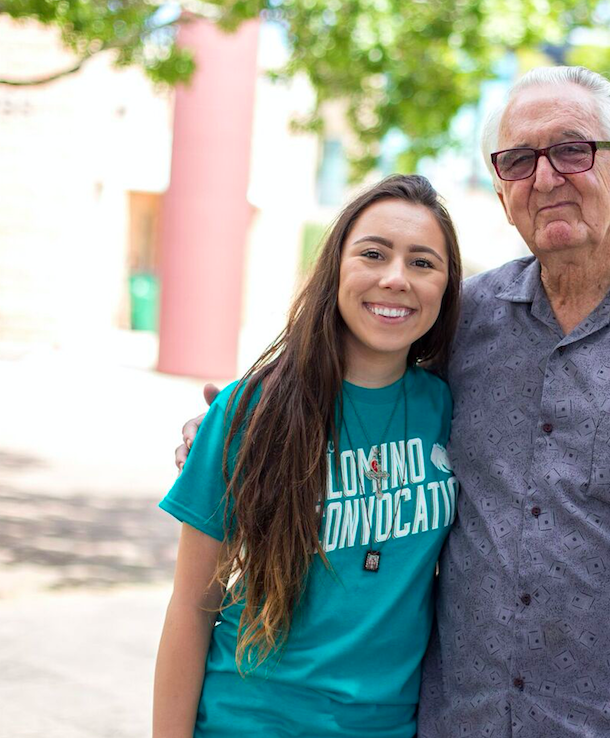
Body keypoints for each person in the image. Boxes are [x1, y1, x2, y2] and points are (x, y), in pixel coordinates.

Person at [176, 66, 610, 738]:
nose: (546, 177)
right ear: (503, 193)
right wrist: (240, 417)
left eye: (571, 150)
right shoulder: (465, 319)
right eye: (519, 160)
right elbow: (357, 361)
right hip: (462, 719)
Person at [154, 174, 463, 738]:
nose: (395, 279)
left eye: (423, 263)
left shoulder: (450, 407)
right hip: (246, 722)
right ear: (336, 268)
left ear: (446, 288)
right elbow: (190, 605)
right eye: (373, 254)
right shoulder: (252, 407)